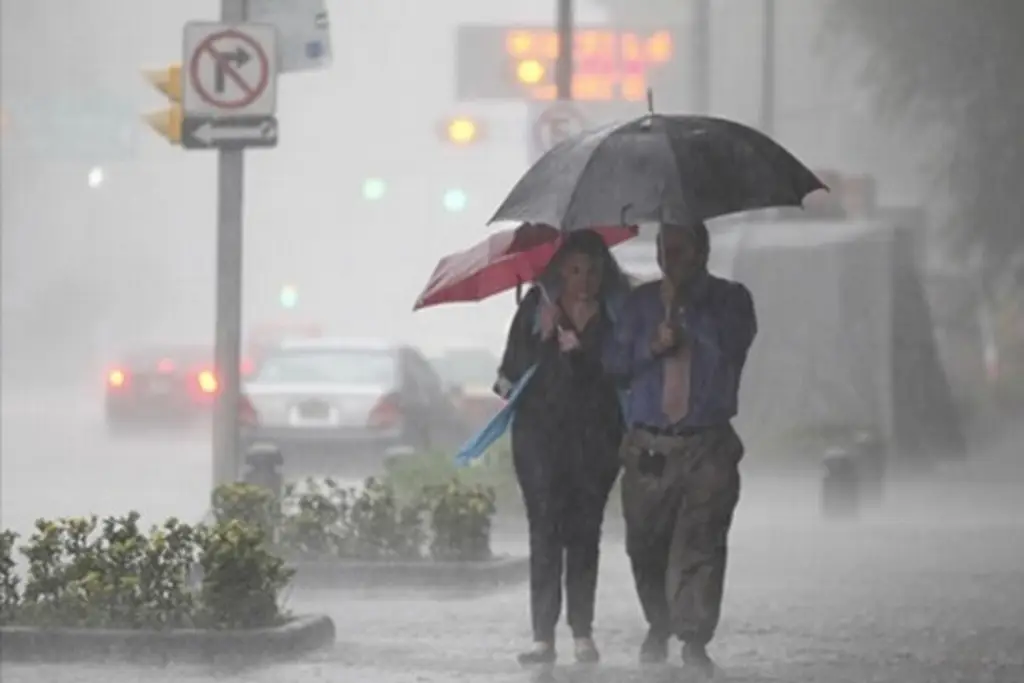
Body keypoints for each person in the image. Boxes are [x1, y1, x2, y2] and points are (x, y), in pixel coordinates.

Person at [604, 222, 757, 677]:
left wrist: (687, 316)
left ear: (702, 252)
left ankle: (693, 637)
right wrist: (654, 345)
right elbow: (615, 363)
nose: (671, 259)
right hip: (650, 444)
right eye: (664, 250)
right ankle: (660, 621)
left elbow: (733, 347)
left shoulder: (731, 300)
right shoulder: (639, 304)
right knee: (645, 543)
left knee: (701, 544)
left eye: (681, 249)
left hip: (706, 443)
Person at [495, 229, 630, 666]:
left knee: (585, 533)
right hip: (539, 439)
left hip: (595, 441)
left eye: (593, 270)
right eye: (574, 270)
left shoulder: (616, 315)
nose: (584, 280)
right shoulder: (536, 308)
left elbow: (626, 370)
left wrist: (584, 351)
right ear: (560, 271)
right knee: (545, 530)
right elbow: (507, 378)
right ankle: (542, 636)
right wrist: (542, 338)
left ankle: (582, 632)